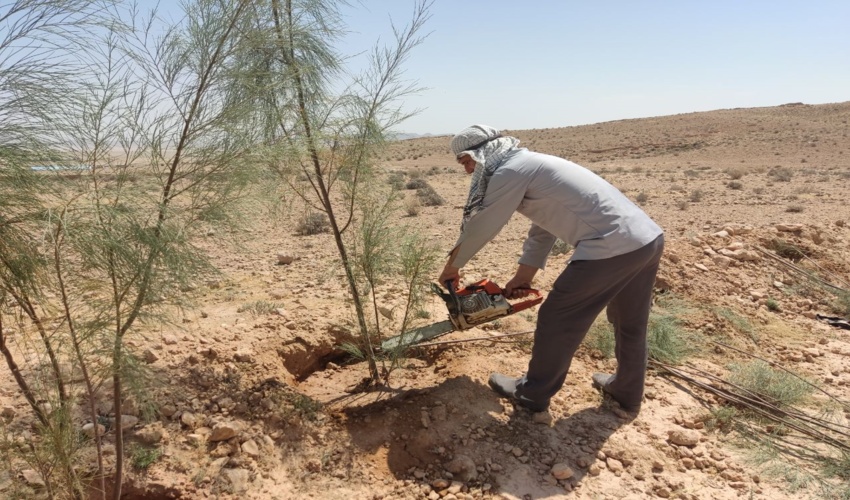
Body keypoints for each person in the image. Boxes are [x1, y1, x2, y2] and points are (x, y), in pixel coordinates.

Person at [438, 124, 664, 413]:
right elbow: (543, 229)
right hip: (647, 240)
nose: (469, 171)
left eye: (467, 161)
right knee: (630, 322)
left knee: (558, 318)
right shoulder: (533, 164)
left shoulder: (510, 171)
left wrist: (452, 268)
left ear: (482, 153)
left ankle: (532, 394)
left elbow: (484, 224)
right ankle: (627, 392)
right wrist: (523, 277)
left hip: (609, 248)